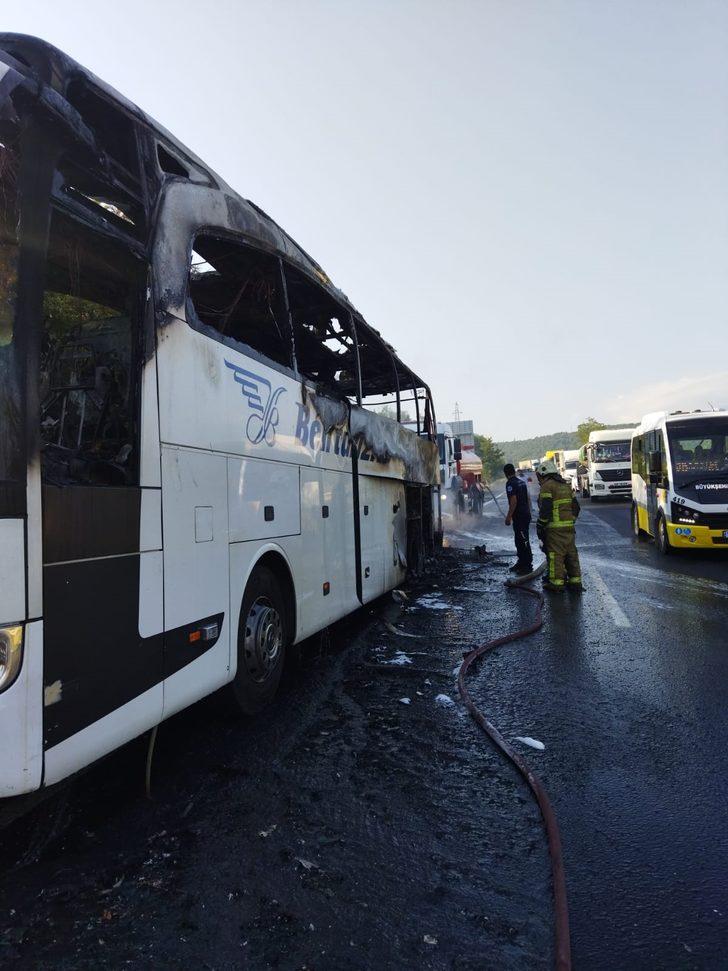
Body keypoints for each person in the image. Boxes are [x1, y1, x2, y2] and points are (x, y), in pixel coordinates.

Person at [535, 458, 583, 593]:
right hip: (568, 528)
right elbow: (576, 507)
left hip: (554, 529)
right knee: (571, 554)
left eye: (539, 476)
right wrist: (570, 521)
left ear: (543, 474)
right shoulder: (565, 486)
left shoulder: (547, 486)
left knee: (555, 555)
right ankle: (575, 582)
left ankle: (556, 584)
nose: (539, 480)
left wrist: (541, 524)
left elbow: (546, 508)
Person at [503, 463, 533, 575]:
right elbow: (527, 499)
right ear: (514, 471)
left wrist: (508, 517)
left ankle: (527, 564)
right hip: (525, 514)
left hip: (520, 516)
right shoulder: (521, 482)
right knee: (519, 539)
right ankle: (521, 562)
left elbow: (514, 501)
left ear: (506, 473)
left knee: (523, 539)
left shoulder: (510, 483)